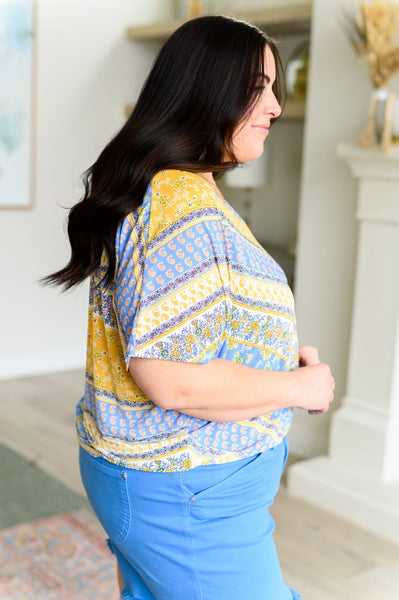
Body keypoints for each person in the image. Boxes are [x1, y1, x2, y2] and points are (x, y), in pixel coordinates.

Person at [44, 15, 334, 600]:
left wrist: (273, 358)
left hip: (165, 484)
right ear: (205, 89)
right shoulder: (183, 210)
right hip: (185, 492)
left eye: (274, 88)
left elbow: (181, 323)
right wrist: (299, 389)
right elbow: (170, 377)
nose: (275, 106)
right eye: (258, 86)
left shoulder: (169, 188)